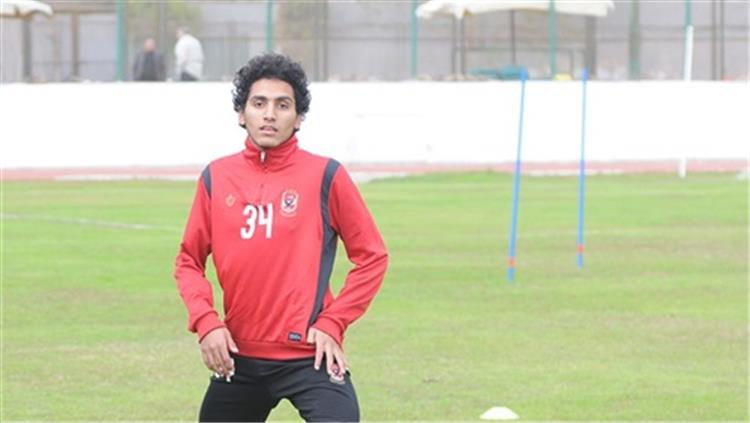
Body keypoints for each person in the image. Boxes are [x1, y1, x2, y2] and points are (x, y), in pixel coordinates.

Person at [174, 53, 388, 422]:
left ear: (299, 117)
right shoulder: (216, 177)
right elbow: (188, 261)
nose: (270, 114)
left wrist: (333, 322)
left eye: (282, 105)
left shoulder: (326, 175)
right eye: (259, 103)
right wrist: (206, 322)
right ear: (242, 113)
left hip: (310, 355)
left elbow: (372, 257)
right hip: (239, 356)